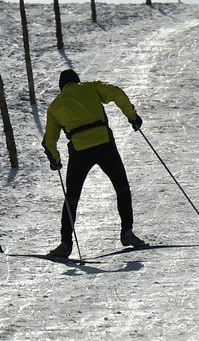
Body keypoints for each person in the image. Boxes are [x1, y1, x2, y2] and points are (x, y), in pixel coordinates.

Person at [42, 68, 146, 258]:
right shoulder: (90, 88)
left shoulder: (55, 106)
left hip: (79, 150)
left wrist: (55, 159)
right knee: (121, 188)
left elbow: (49, 140)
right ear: (77, 81)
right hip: (104, 144)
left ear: (61, 88)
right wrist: (132, 116)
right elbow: (116, 92)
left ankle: (65, 244)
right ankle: (127, 232)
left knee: (72, 198)